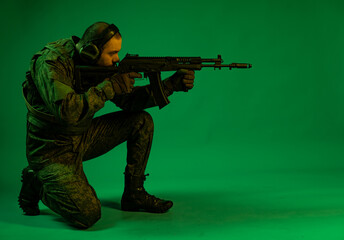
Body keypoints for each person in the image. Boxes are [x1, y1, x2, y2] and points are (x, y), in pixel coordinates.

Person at [18, 22, 195, 229]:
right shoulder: (51, 63)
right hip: (51, 151)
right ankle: (36, 181)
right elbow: (66, 111)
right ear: (91, 51)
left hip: (82, 137)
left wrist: (169, 86)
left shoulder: (98, 65)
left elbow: (128, 102)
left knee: (141, 121)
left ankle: (134, 194)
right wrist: (108, 88)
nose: (117, 59)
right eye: (112, 53)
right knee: (88, 214)